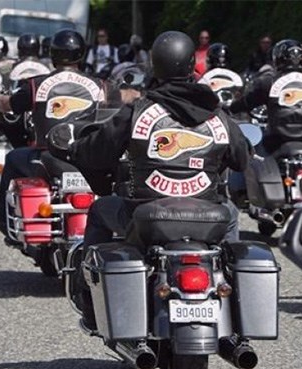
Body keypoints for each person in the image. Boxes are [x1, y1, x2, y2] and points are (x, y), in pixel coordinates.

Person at [47, 30, 249, 330]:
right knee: (231, 214)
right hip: (210, 219)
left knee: (100, 211)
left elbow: (97, 151)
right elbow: (242, 158)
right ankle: (237, 302)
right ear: (193, 64)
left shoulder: (138, 112)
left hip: (146, 217)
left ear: (155, 65)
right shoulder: (216, 115)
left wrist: (74, 147)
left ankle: (89, 303)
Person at [0, 29, 108, 240]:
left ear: (53, 55)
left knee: (13, 158)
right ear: (82, 54)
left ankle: (5, 224)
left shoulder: (37, 85)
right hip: (88, 157)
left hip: (47, 157)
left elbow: (9, 105)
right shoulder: (100, 86)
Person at [229, 39, 302, 156]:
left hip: (276, 144)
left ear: (277, 59)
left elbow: (245, 103)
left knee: (251, 161)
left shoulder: (268, 84)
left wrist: (230, 108)